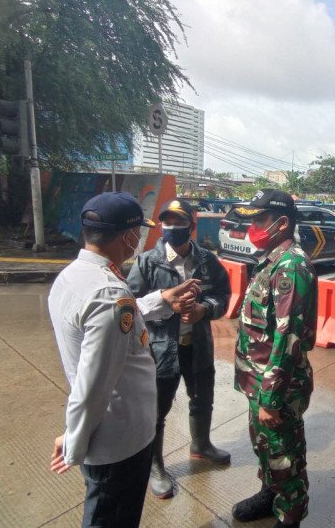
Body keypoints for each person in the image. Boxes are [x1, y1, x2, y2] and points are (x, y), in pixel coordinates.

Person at [48, 192, 198, 528]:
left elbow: (117, 323)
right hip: (120, 442)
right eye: (139, 232)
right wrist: (73, 440)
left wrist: (161, 298)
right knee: (112, 518)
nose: (141, 239)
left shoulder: (74, 277)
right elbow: (94, 386)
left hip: (110, 434)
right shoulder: (108, 293)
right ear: (128, 235)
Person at [127, 199, 232, 500]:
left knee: (202, 399)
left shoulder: (207, 260)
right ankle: (155, 464)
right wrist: (166, 305)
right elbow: (131, 308)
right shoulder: (147, 262)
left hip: (197, 345)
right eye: (167, 222)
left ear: (192, 225)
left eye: (179, 221)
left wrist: (204, 308)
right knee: (157, 410)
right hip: (162, 350)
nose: (172, 227)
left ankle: (201, 445)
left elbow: (223, 295)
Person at [230, 189, 317, 528]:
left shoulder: (292, 267)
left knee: (286, 458)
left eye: (259, 219)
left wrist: (271, 399)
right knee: (265, 447)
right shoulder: (271, 261)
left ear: (282, 223)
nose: (253, 226)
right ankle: (270, 494)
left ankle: (290, 515)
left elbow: (288, 339)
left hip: (277, 389)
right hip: (259, 382)